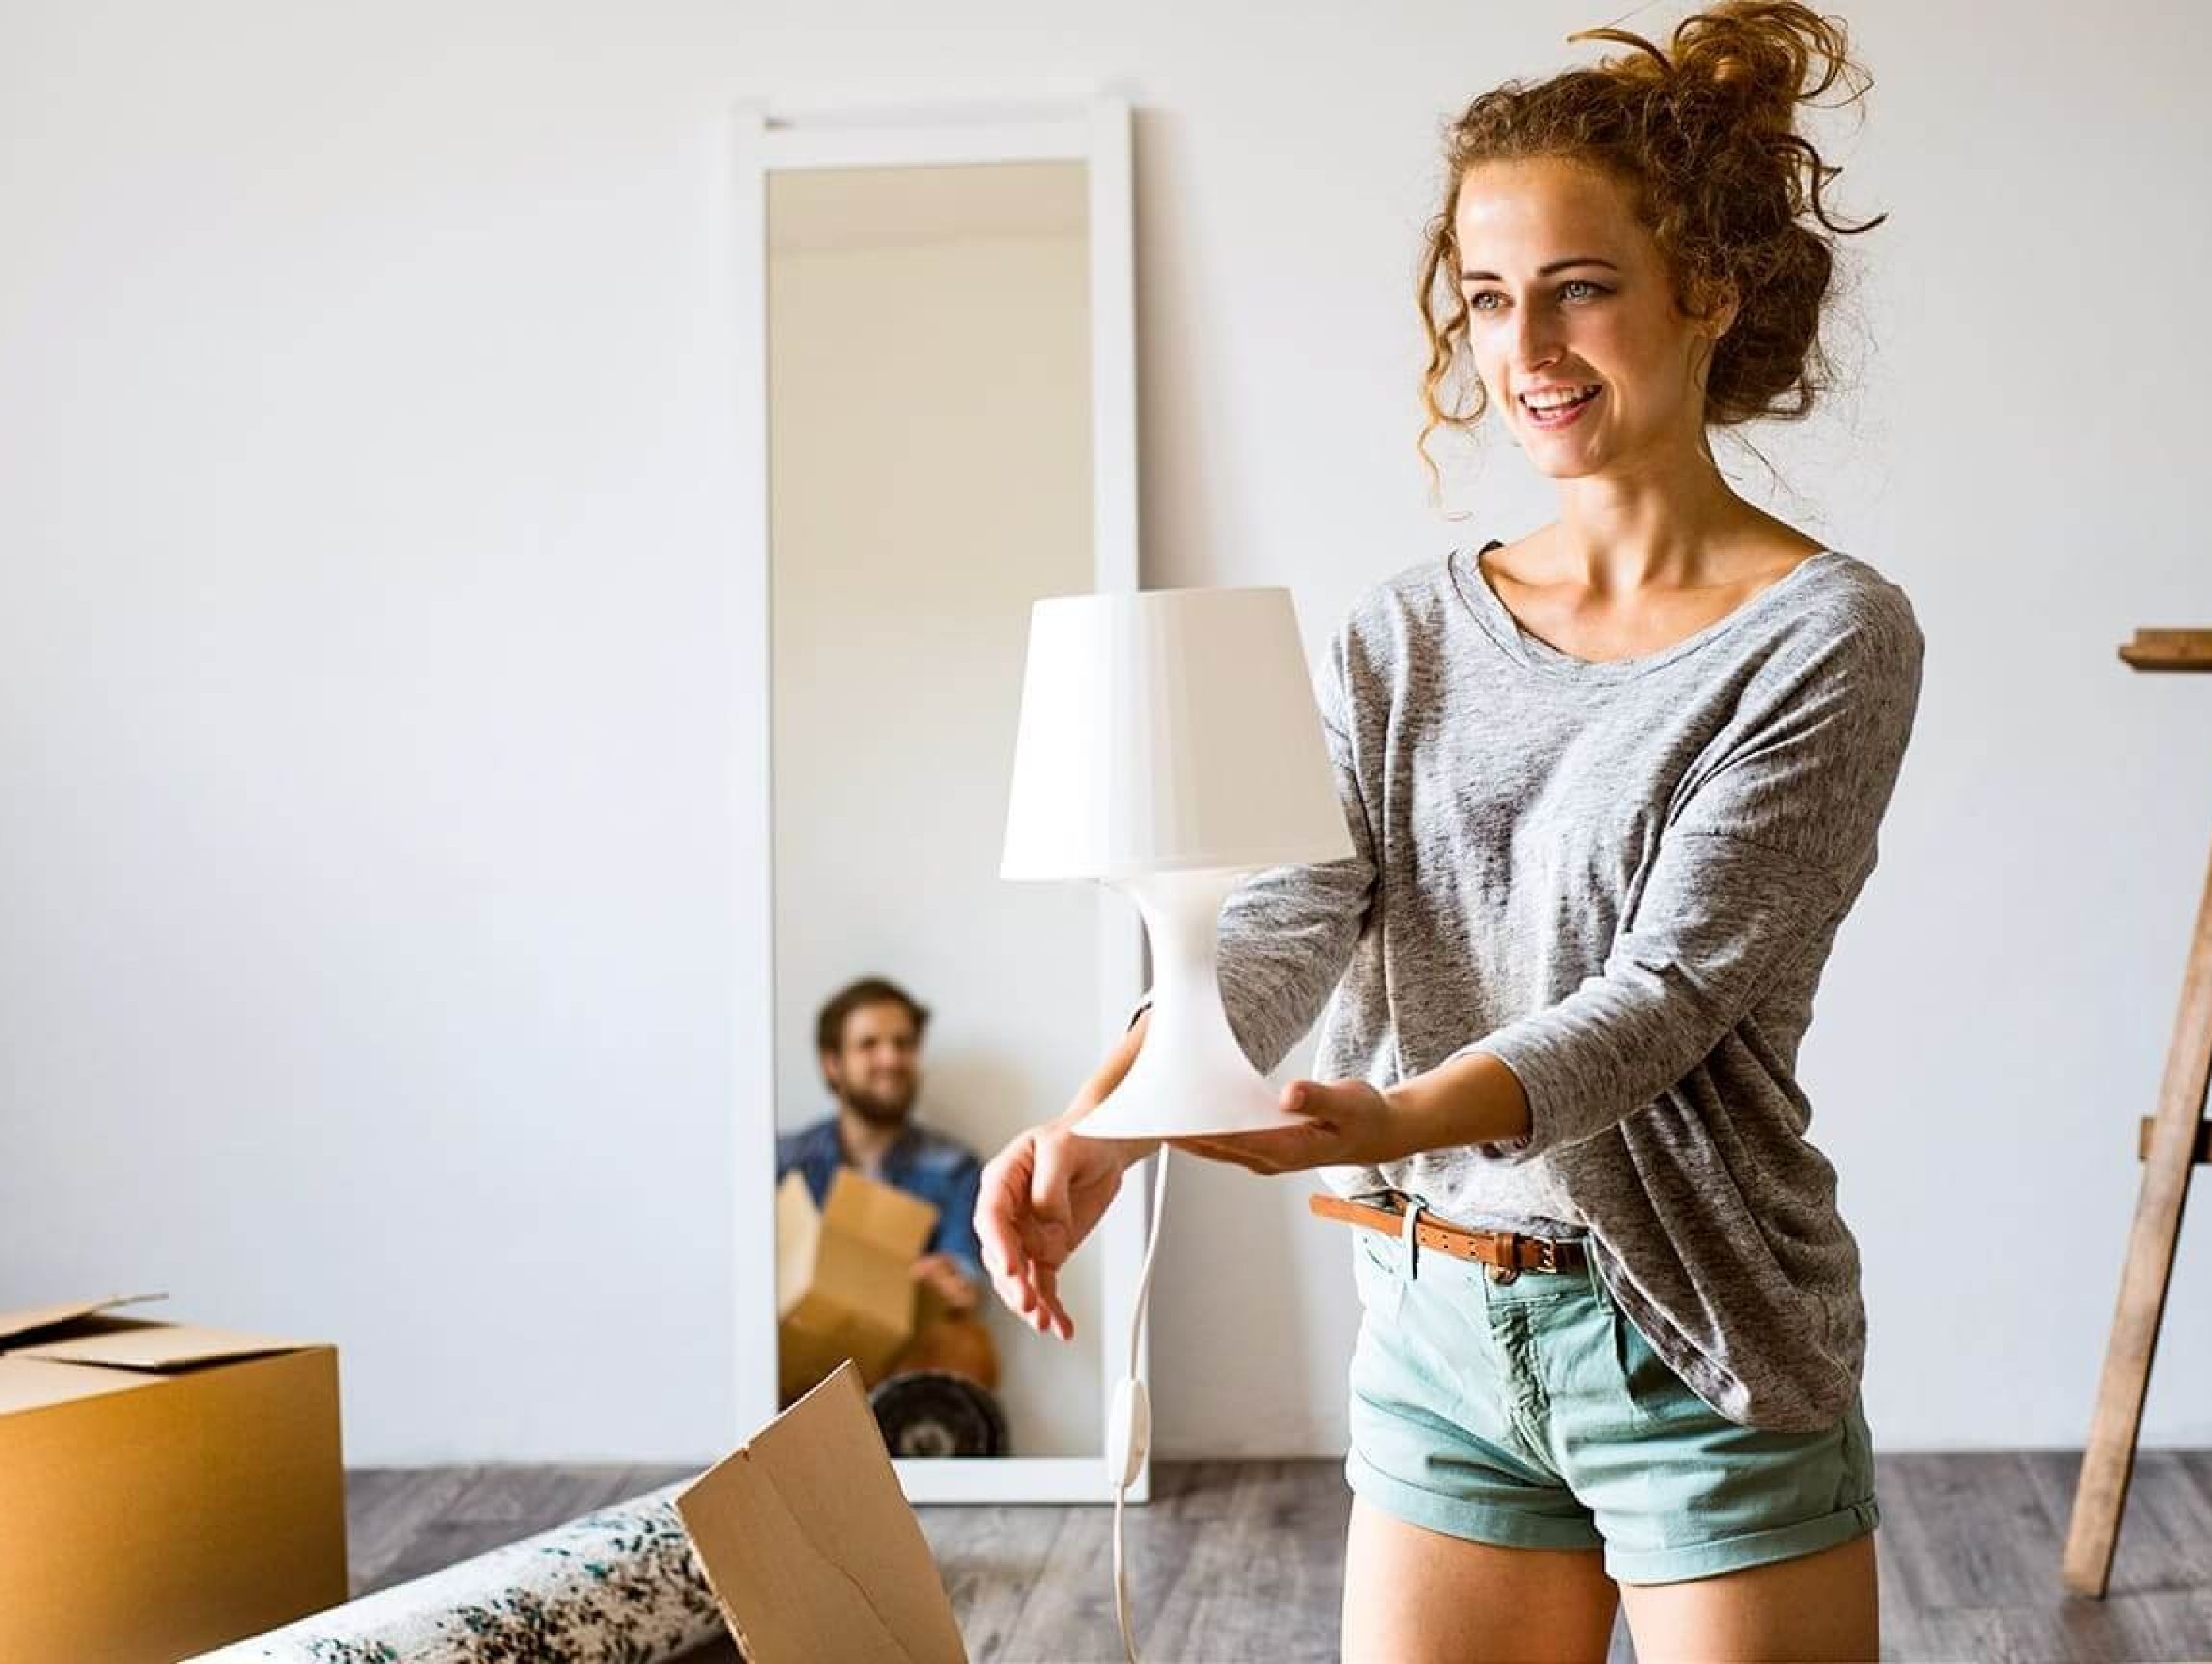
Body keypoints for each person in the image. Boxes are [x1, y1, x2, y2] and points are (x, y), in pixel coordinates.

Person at [974, 7, 1920, 1660]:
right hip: (1436, 1323)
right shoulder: (1408, 631)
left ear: (1707, 289)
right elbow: (1289, 921)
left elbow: (1670, 994)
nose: (1525, 347)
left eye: (1579, 286)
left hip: (1692, 1338)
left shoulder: (1826, 637)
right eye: (1490, 298)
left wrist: (1397, 1109)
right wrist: (1106, 1130)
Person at [777, 976, 989, 1319]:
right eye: (869, 1044)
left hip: (909, 1346)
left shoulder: (954, 1168)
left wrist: (949, 1282)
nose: (890, 1059)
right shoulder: (784, 1163)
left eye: (903, 1044)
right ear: (833, 1064)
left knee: (966, 1343)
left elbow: (965, 1275)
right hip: (808, 1343)